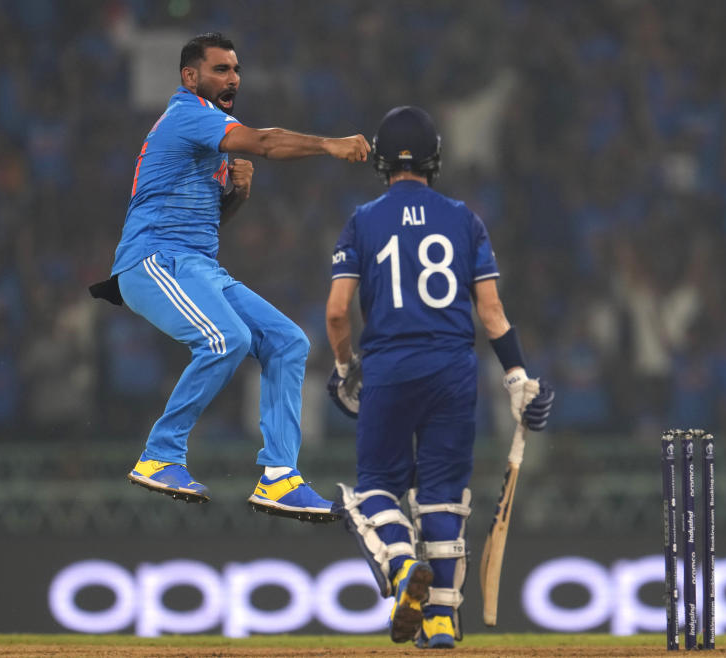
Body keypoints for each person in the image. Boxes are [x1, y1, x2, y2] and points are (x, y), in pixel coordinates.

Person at [90, 32, 370, 523]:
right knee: (226, 339)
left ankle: (280, 476)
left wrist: (236, 196)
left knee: (288, 342)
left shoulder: (210, 131)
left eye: (235, 69)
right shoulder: (188, 115)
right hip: (153, 259)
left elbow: (208, 220)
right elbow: (264, 142)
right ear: (189, 77)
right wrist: (329, 144)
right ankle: (160, 455)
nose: (232, 78)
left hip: (196, 264)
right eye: (220, 69)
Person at [324, 106, 553, 648]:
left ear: (381, 162)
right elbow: (492, 313)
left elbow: (337, 312)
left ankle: (404, 570)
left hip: (389, 366)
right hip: (454, 369)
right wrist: (518, 376)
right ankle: (443, 622)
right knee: (444, 498)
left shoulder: (363, 219)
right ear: (435, 160)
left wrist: (342, 368)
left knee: (376, 488)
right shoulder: (464, 218)